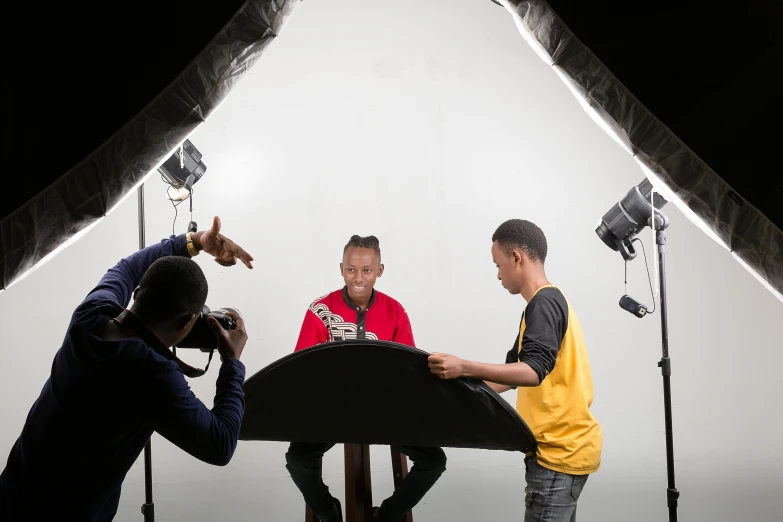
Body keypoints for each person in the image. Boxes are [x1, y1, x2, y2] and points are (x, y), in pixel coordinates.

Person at [0, 216, 254, 522]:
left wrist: (196, 241)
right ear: (188, 321)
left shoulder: (91, 315)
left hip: (13, 495)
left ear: (136, 293)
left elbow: (126, 268)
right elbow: (220, 444)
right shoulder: (153, 373)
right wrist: (232, 363)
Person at [427, 219, 602, 522]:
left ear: (516, 258)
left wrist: (463, 365)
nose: (498, 274)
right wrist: (453, 393)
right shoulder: (544, 304)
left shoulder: (544, 303)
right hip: (565, 453)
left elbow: (532, 372)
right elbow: (508, 376)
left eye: (498, 264)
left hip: (557, 456)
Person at [286, 235, 447, 522]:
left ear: (379, 271)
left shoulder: (395, 311)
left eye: (367, 270)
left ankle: (385, 517)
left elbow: (409, 370)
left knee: (434, 460)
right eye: (351, 269)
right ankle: (330, 513)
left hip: (384, 414)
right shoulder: (320, 310)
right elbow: (302, 370)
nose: (358, 277)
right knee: (298, 459)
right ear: (341, 268)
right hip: (331, 413)